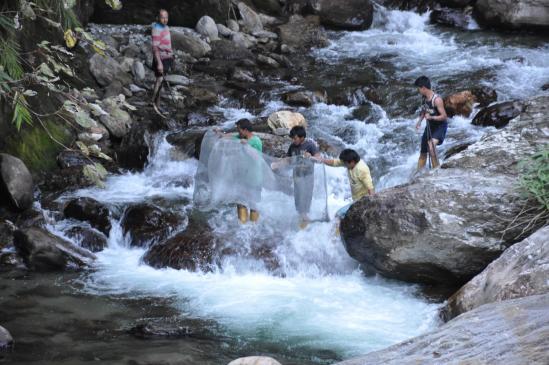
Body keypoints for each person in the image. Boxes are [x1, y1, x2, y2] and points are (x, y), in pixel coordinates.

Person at [272, 126, 320, 228]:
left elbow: (319, 158)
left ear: (302, 137)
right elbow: (288, 159)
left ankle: (306, 221)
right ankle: (302, 220)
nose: (293, 140)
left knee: (305, 198)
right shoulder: (292, 146)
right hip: (297, 177)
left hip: (307, 177)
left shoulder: (310, 145)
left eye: (295, 138)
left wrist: (310, 157)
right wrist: (278, 164)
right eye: (292, 138)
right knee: (298, 199)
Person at [217, 119, 263, 224]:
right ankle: (242, 227)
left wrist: (246, 146)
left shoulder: (256, 141)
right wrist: (219, 133)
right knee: (240, 202)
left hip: (254, 178)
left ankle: (253, 227)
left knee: (253, 204)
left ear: (245, 130)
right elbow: (229, 137)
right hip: (242, 177)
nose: (238, 132)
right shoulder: (241, 137)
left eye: (239, 130)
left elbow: (257, 158)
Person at [314, 149, 374, 219]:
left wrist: (372, 205)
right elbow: (334, 162)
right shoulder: (350, 162)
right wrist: (322, 160)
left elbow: (370, 188)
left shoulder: (362, 169)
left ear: (352, 162)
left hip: (363, 201)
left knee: (339, 214)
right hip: (355, 199)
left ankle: (336, 230)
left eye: (345, 164)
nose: (344, 165)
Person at [414, 76, 448, 170]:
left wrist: (431, 117)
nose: (418, 91)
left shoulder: (437, 100)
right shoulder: (424, 98)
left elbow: (444, 116)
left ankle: (436, 171)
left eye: (419, 88)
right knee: (423, 151)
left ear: (424, 88)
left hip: (440, 126)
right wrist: (420, 121)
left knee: (431, 146)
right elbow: (424, 111)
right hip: (430, 126)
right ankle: (418, 174)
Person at [151, 9, 174, 115]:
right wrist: (159, 63)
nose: (165, 19)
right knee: (159, 79)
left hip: (167, 57)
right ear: (158, 18)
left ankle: (158, 105)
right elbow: (155, 48)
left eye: (166, 17)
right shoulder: (156, 29)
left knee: (161, 81)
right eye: (162, 17)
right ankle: (152, 102)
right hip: (161, 58)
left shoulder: (166, 27)